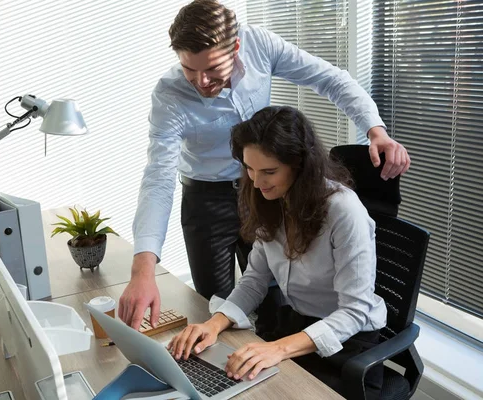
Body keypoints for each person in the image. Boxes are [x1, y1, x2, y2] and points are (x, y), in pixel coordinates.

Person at [119, 0, 408, 330]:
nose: (200, 81)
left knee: (275, 296)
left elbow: (331, 79)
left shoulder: (261, 45)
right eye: (189, 70)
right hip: (206, 199)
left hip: (262, 188)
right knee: (216, 304)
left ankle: (276, 366)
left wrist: (375, 130)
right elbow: (158, 176)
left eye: (212, 68)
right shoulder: (169, 95)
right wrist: (143, 271)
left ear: (236, 47)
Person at [167, 105, 387, 399]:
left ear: (300, 165)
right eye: (249, 169)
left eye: (269, 171)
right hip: (298, 326)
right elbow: (255, 280)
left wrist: (278, 348)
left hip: (349, 346)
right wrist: (213, 324)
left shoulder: (343, 211)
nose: (257, 183)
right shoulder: (273, 200)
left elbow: (354, 311)